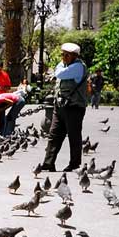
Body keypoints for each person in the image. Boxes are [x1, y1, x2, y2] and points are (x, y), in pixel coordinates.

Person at [41, 43, 89, 172]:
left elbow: (60, 73)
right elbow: (59, 71)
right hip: (61, 105)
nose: (63, 57)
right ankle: (48, 163)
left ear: (74, 56)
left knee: (74, 136)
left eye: (66, 55)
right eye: (62, 54)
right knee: (54, 135)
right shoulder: (66, 65)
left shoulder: (78, 67)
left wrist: (58, 69)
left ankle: (75, 164)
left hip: (74, 106)